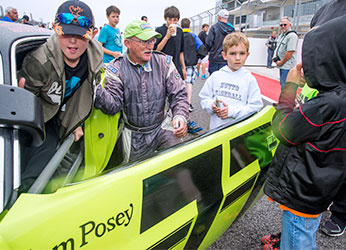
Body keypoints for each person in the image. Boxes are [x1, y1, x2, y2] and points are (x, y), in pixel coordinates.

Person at [262, 15, 346, 250]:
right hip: (321, 189)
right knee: (302, 232)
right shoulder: (340, 98)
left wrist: (290, 86)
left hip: (303, 193)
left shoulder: (327, 104)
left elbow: (283, 129)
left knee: (298, 239)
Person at [18, 0, 103, 192]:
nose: (72, 41)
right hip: (39, 117)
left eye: (81, 35)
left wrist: (76, 122)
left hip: (61, 117)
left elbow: (85, 93)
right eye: (66, 33)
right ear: (56, 30)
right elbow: (26, 109)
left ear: (92, 34)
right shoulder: (39, 61)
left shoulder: (94, 58)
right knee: (34, 174)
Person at [94, 20, 189, 162]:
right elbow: (113, 106)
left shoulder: (164, 62)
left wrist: (180, 116)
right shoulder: (116, 68)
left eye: (151, 40)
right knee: (135, 177)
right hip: (134, 135)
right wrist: (94, 88)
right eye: (144, 41)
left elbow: (180, 94)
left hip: (162, 127)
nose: (150, 46)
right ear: (127, 43)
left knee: (177, 163)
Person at [309, 0, 346, 238]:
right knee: (321, 152)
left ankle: (341, 212)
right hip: (325, 93)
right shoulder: (325, 9)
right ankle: (311, 206)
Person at [199, 32, 263, 130]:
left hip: (239, 133)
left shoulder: (249, 79)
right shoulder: (216, 76)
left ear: (247, 55)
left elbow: (255, 107)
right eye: (233, 53)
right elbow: (204, 98)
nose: (237, 58)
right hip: (216, 131)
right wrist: (212, 105)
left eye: (242, 53)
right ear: (224, 55)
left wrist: (232, 111)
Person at [154, 6, 187, 80]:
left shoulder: (180, 31)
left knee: (178, 89)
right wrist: (166, 37)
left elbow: (181, 52)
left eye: (175, 20)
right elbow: (156, 51)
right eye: (169, 19)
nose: (172, 22)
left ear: (178, 20)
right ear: (165, 19)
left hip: (176, 67)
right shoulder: (159, 30)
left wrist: (184, 68)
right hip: (162, 68)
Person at [205, 9, 234, 76]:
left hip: (214, 58)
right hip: (227, 58)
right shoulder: (232, 29)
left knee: (214, 79)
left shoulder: (214, 27)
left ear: (219, 17)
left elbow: (208, 42)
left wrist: (209, 51)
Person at [273, 17, 298, 89]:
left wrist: (281, 62)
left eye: (285, 25)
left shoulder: (292, 36)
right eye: (281, 25)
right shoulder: (282, 35)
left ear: (290, 25)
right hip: (282, 65)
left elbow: (290, 52)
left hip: (287, 66)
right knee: (283, 85)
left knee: (286, 87)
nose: (283, 26)